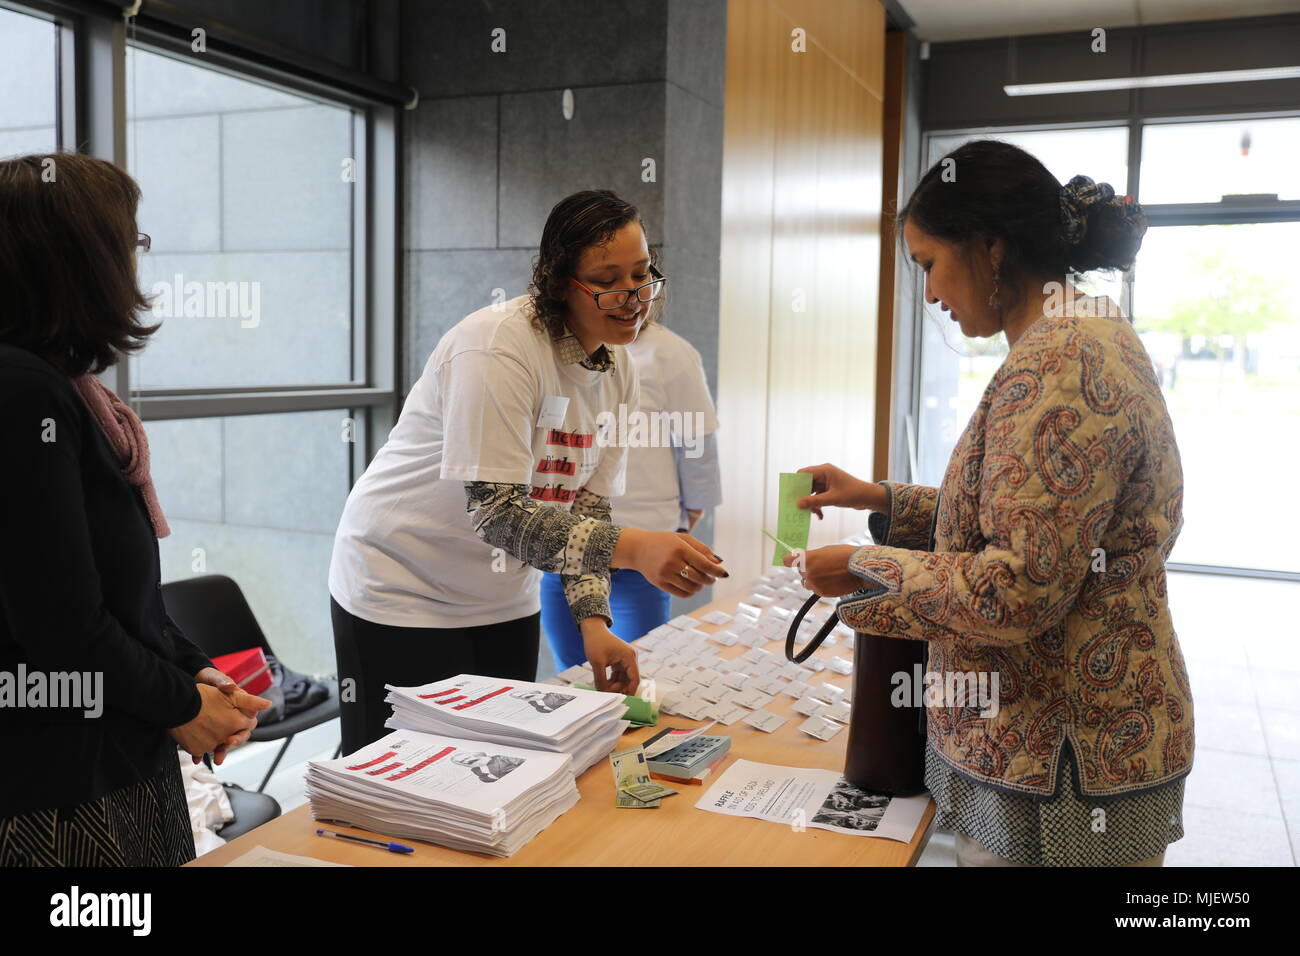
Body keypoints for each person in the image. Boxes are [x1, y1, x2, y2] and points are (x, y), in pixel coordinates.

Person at [787, 140, 1193, 867]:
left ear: (991, 247)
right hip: (1067, 745)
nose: (930, 293)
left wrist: (864, 563)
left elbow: (1017, 587)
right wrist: (880, 498)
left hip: (1065, 764)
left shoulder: (1063, 359)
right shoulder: (1080, 332)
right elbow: (1033, 517)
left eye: (928, 265)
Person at [329, 190, 729, 755]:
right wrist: (634, 548)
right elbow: (497, 512)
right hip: (402, 583)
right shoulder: (498, 349)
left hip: (501, 595)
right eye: (608, 279)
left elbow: (586, 506)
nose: (633, 297)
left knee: (496, 765)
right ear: (560, 279)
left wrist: (593, 622)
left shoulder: (618, 372)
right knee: (401, 775)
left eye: (643, 274)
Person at [0, 153, 270, 867]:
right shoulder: (24, 390)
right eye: (129, 242)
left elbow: (122, 598)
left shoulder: (65, 386)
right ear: (81, 257)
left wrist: (194, 671)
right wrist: (184, 706)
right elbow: (63, 628)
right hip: (59, 783)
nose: (134, 261)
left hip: (106, 756)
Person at [540, 319, 722, 669]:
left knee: (637, 661)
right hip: (567, 533)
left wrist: (695, 504)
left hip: (643, 528)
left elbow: (697, 437)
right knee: (574, 668)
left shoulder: (670, 353)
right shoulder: (556, 348)